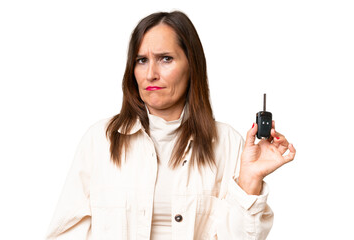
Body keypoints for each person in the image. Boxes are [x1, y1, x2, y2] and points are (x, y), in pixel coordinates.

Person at [46, 11, 296, 240]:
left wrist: (249, 179)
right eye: (141, 60)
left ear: (191, 66)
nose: (150, 73)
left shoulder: (226, 143)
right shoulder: (100, 140)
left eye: (165, 59)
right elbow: (67, 233)